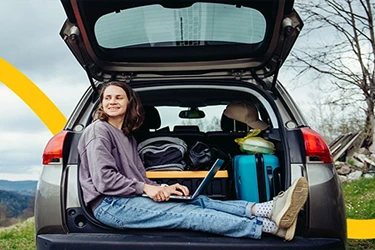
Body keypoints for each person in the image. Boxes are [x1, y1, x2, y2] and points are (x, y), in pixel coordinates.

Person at [78, 81, 309, 241]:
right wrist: (146, 188)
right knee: (191, 215)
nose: (112, 101)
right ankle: (271, 228)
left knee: (199, 202)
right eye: (107, 98)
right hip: (110, 206)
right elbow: (104, 180)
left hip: (127, 199)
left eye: (119, 97)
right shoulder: (98, 131)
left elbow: (140, 179)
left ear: (129, 102)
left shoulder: (127, 138)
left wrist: (163, 188)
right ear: (102, 104)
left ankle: (264, 209)